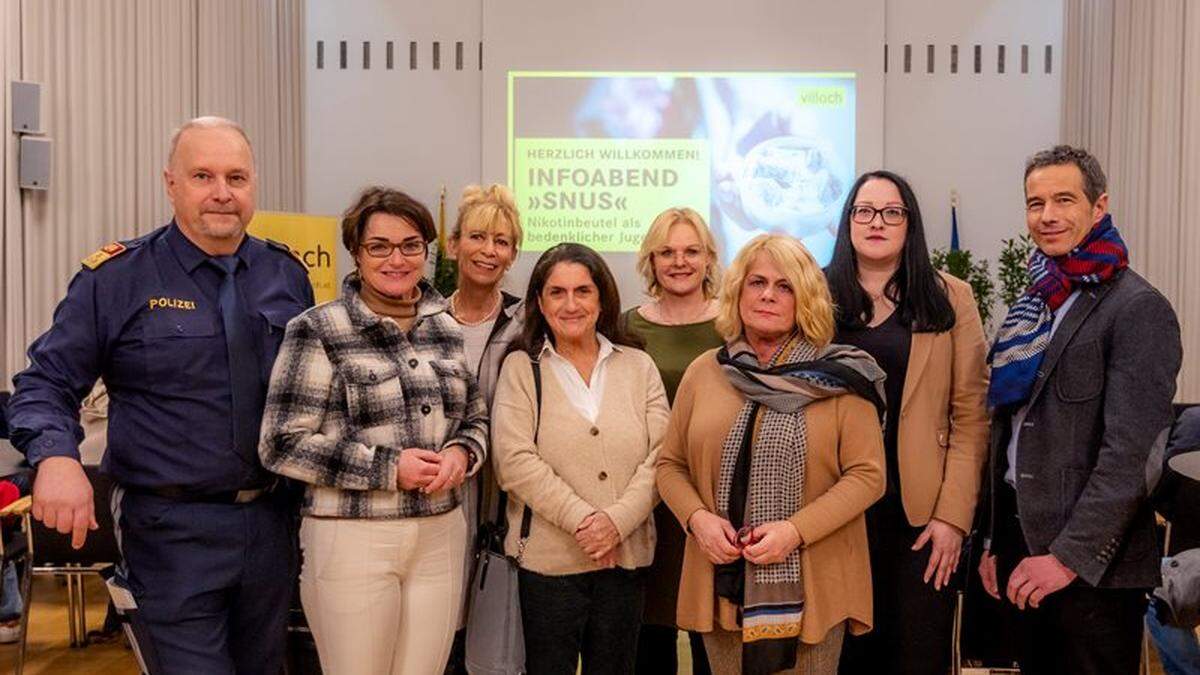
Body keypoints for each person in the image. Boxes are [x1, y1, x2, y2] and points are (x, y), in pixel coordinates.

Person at [6, 116, 314, 672]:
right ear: (171, 183)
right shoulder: (117, 278)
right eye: (203, 175)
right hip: (170, 530)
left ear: (254, 185)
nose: (222, 192)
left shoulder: (285, 274)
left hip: (271, 525)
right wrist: (55, 457)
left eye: (237, 177)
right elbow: (44, 383)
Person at [259, 186, 488, 675]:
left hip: (440, 535)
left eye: (410, 245)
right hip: (352, 537)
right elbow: (281, 444)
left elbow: (475, 417)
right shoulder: (319, 328)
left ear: (427, 251)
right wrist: (389, 468)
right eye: (379, 246)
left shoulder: (444, 326)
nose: (396, 259)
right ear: (357, 254)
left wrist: (463, 454)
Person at [978, 145, 1182, 675]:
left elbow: (1132, 457)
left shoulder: (1138, 309)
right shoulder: (1035, 301)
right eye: (1035, 202)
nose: (1047, 216)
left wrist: (1067, 558)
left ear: (1099, 207)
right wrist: (996, 541)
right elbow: (1012, 431)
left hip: (1091, 570)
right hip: (1023, 546)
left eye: (1064, 199)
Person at [657, 233, 887, 675]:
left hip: (815, 586)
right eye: (756, 282)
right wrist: (697, 520)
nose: (767, 294)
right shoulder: (705, 371)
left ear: (806, 299)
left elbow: (867, 476)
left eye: (785, 286)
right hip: (722, 581)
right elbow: (670, 465)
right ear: (737, 292)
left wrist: (794, 532)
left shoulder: (843, 374)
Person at [825, 171, 990, 675]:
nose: (877, 222)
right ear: (847, 220)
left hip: (920, 516)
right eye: (864, 210)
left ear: (910, 224)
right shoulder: (813, 294)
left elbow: (971, 415)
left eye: (891, 212)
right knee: (840, 657)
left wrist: (952, 518)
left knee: (916, 653)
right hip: (831, 511)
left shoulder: (950, 297)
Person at [491, 243, 668, 675]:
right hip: (548, 564)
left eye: (583, 291)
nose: (571, 304)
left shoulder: (639, 365)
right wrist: (587, 523)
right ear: (539, 301)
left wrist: (617, 523)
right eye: (557, 293)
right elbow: (513, 461)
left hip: (626, 559)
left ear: (602, 297)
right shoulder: (521, 366)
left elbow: (664, 456)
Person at [624, 207, 724, 675]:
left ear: (709, 258)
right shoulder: (625, 328)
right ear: (651, 259)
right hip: (646, 499)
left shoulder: (735, 325)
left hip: (716, 499)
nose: (679, 262)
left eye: (691, 251)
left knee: (714, 631)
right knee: (650, 631)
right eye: (667, 251)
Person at [442, 183, 525, 675]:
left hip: (501, 500)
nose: (488, 251)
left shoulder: (527, 323)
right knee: (440, 631)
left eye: (501, 241)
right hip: (438, 494)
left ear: (513, 253)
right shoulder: (423, 318)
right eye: (477, 237)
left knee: (494, 635)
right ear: (454, 245)